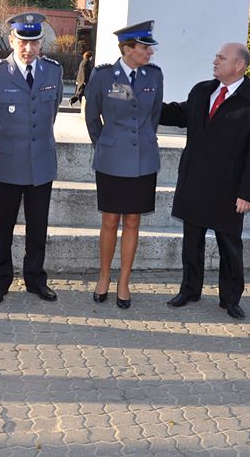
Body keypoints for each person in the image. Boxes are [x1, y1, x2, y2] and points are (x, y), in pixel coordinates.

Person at [160, 42, 250, 320]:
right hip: (195, 182)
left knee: (230, 246)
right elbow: (178, 114)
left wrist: (248, 193)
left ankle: (230, 298)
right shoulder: (202, 91)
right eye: (215, 57)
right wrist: (143, 101)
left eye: (221, 58)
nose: (215, 61)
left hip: (229, 189)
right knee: (192, 242)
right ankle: (190, 289)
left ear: (239, 66)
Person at [0, 12, 64, 304]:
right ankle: (0, 281)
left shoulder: (53, 72)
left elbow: (50, 114)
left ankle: (35, 279)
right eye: (23, 42)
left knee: (38, 227)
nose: (29, 49)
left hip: (41, 163)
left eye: (35, 43)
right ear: (12, 40)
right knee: (3, 227)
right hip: (8, 162)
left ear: (41, 43)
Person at [84, 21, 163, 309]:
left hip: (143, 160)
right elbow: (92, 117)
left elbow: (153, 115)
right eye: (145, 48)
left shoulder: (154, 76)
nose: (150, 53)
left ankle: (124, 281)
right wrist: (105, 144)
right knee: (110, 220)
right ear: (128, 49)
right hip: (111, 159)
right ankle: (104, 277)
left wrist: (141, 141)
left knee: (133, 221)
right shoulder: (104, 76)